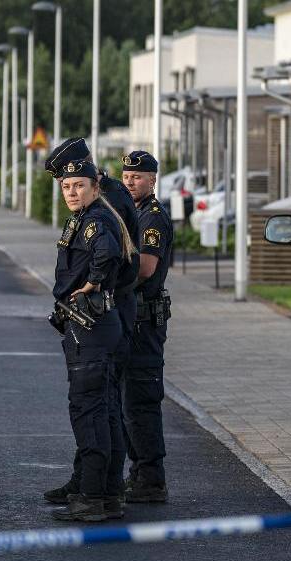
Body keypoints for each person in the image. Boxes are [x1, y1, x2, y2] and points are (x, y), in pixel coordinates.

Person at [42, 139, 138, 514]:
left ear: (95, 186)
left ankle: (92, 498)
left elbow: (107, 253)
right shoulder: (90, 215)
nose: (71, 192)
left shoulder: (95, 219)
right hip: (97, 325)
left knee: (89, 411)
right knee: (106, 410)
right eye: (66, 186)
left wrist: (93, 284)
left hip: (92, 326)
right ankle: (108, 493)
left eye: (78, 185)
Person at [120, 150, 174, 503]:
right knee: (128, 402)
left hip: (144, 322)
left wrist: (112, 285)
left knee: (141, 402)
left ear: (152, 180)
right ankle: (139, 473)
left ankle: (151, 479)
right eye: (126, 176)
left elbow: (145, 268)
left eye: (137, 177)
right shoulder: (133, 212)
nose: (130, 182)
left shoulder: (152, 217)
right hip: (133, 319)